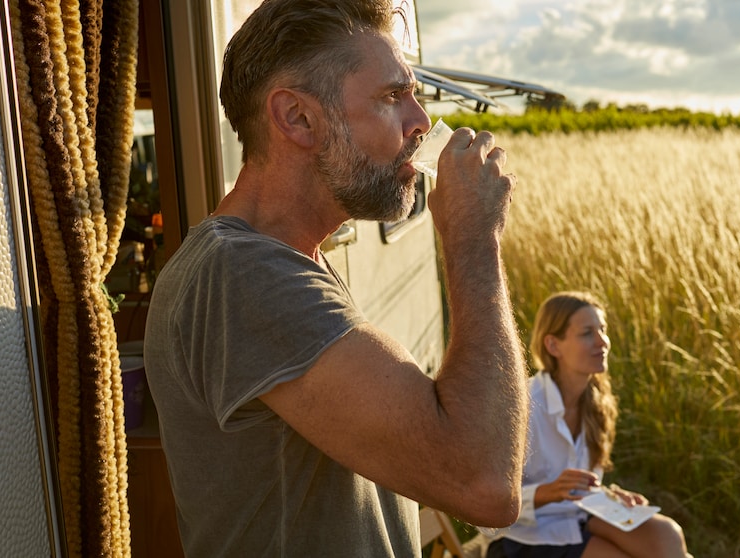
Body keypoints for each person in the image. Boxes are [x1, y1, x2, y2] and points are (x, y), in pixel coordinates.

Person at [142, 1, 528, 556]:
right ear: (297, 118)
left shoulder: (288, 259)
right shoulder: (244, 275)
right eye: (393, 96)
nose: (421, 122)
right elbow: (484, 484)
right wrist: (474, 240)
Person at [485, 291, 690, 558]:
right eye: (587, 333)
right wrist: (546, 493)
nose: (602, 341)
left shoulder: (597, 402)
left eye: (602, 330)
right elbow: (486, 512)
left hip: (581, 518)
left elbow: (580, 488)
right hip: (527, 538)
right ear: (553, 345)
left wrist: (610, 496)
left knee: (667, 536)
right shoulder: (521, 408)